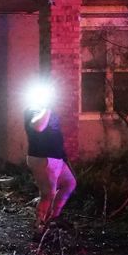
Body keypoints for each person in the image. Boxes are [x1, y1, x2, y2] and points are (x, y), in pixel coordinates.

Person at [25, 83, 76, 231]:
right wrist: (47, 107)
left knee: (70, 183)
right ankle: (39, 227)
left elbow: (56, 134)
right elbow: (38, 127)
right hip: (42, 157)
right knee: (48, 194)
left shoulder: (50, 111)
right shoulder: (32, 110)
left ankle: (53, 218)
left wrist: (64, 157)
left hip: (56, 157)